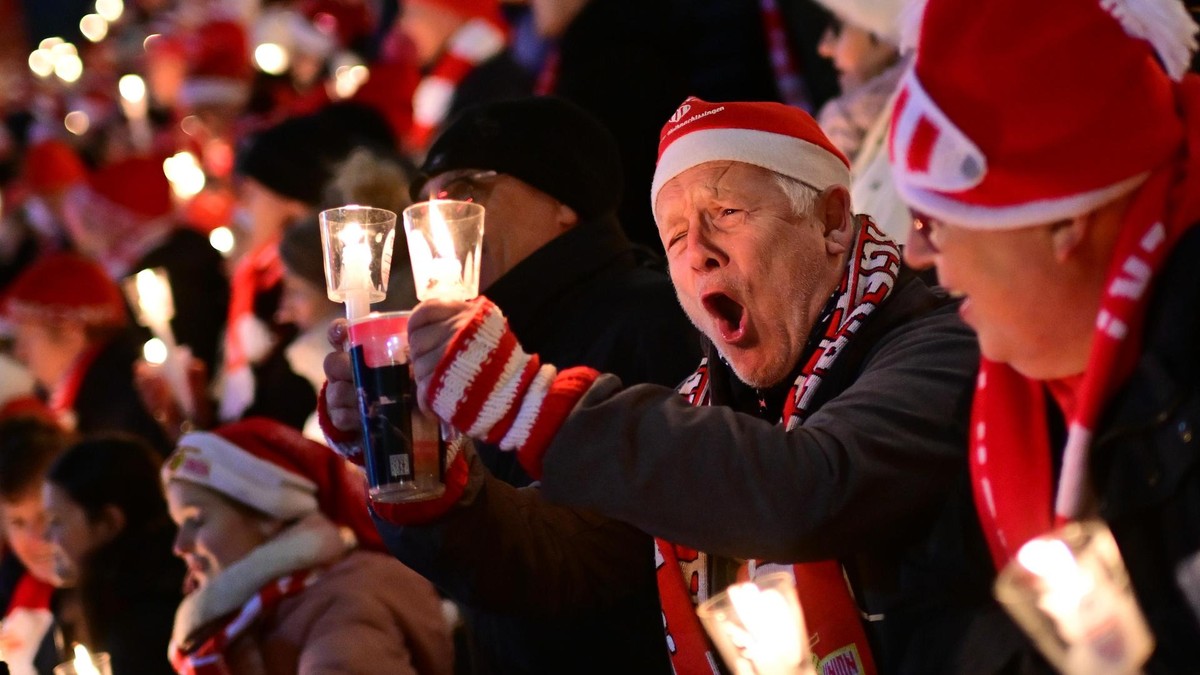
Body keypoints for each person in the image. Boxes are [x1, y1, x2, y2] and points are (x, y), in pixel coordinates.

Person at [323, 97, 996, 673]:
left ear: (831, 220)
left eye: (726, 211)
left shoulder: (939, 343)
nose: (696, 248)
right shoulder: (706, 398)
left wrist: (527, 401)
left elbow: (810, 488)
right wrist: (421, 468)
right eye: (673, 235)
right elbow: (559, 555)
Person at [321, 96, 700, 673]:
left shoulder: (656, 318)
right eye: (424, 202)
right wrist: (397, 447)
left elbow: (593, 560)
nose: (437, 218)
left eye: (464, 189)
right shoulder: (472, 338)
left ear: (563, 202)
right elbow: (481, 574)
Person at [886, 0, 1200, 671]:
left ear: (1063, 222)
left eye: (935, 219)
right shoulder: (1022, 385)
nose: (915, 251)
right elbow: (923, 612)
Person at [161, 418, 455, 674]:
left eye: (196, 520)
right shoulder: (256, 611)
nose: (179, 546)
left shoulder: (344, 604)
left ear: (270, 514)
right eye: (178, 525)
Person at [42, 435, 185, 675]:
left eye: (57, 521)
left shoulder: (144, 626)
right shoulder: (92, 601)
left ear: (108, 523)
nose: (47, 536)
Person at [3, 253, 170, 451]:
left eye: (27, 339)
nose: (20, 353)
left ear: (71, 332)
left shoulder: (115, 413)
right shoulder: (95, 397)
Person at [813, 0, 911, 241]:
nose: (824, 47)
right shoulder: (867, 125)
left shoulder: (918, 131)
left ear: (887, 33)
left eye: (837, 27)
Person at [397, 0, 531, 153]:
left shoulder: (494, 84)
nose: (401, 25)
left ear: (448, 16)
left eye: (412, 14)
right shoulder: (434, 74)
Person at [0, 413, 72, 675]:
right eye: (18, 523)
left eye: (47, 516)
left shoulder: (122, 603)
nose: (36, 539)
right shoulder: (11, 596)